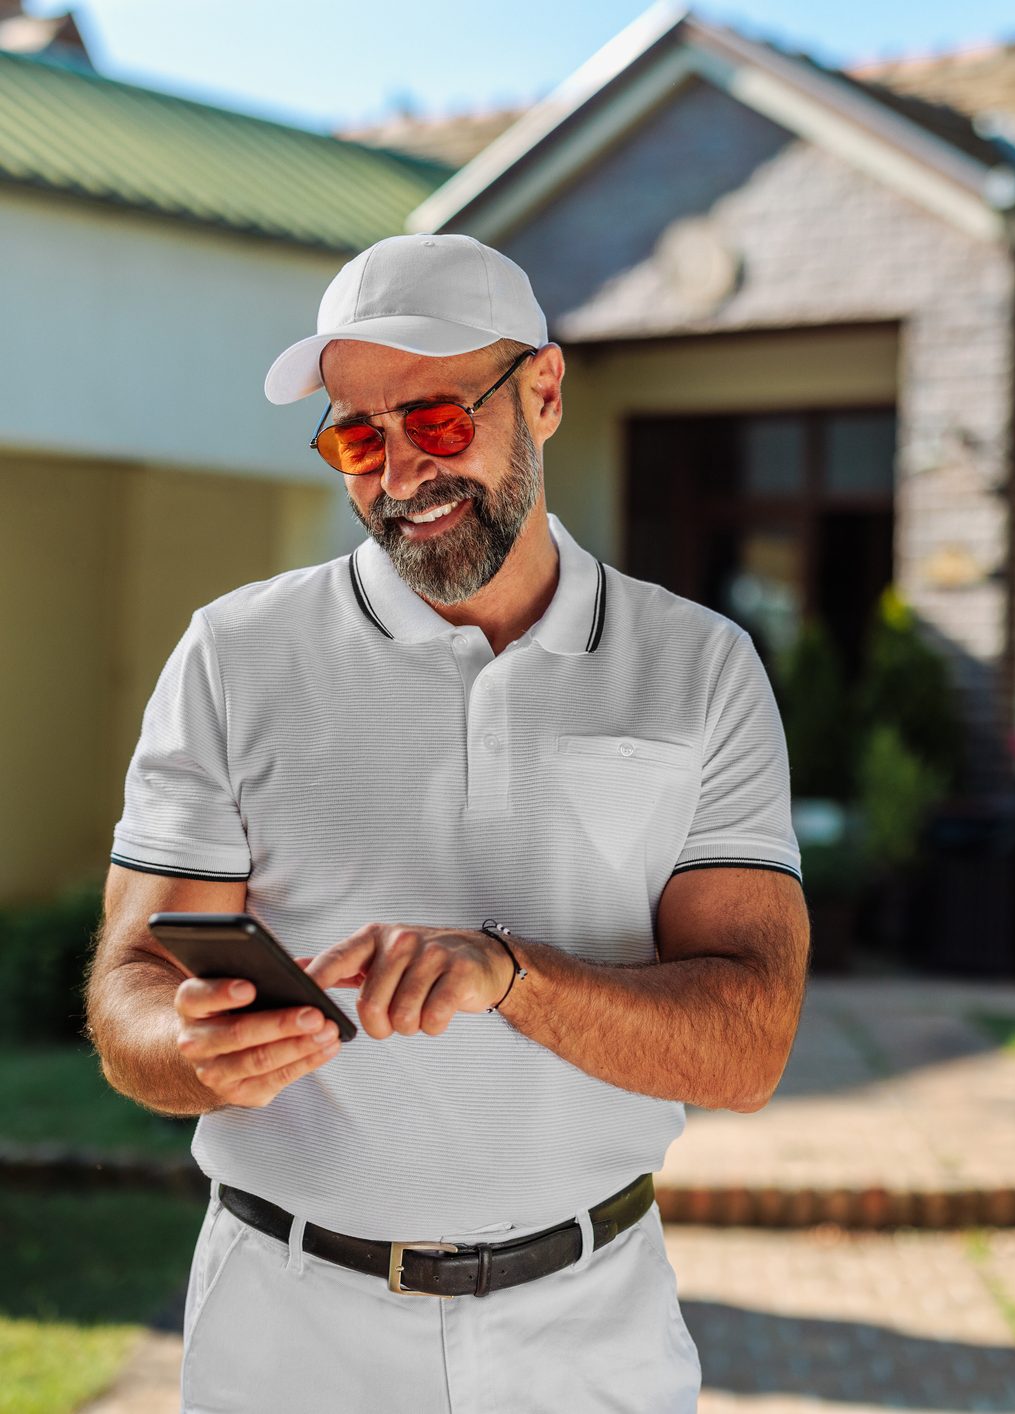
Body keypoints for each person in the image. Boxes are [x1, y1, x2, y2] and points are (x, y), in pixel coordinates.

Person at [85, 232, 811, 1412]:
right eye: (356, 438)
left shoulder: (700, 669)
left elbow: (747, 1044)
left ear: (543, 391)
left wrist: (510, 974)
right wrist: (190, 1045)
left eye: (432, 419)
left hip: (589, 1337)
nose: (397, 477)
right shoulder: (235, 654)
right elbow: (132, 987)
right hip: (287, 1332)